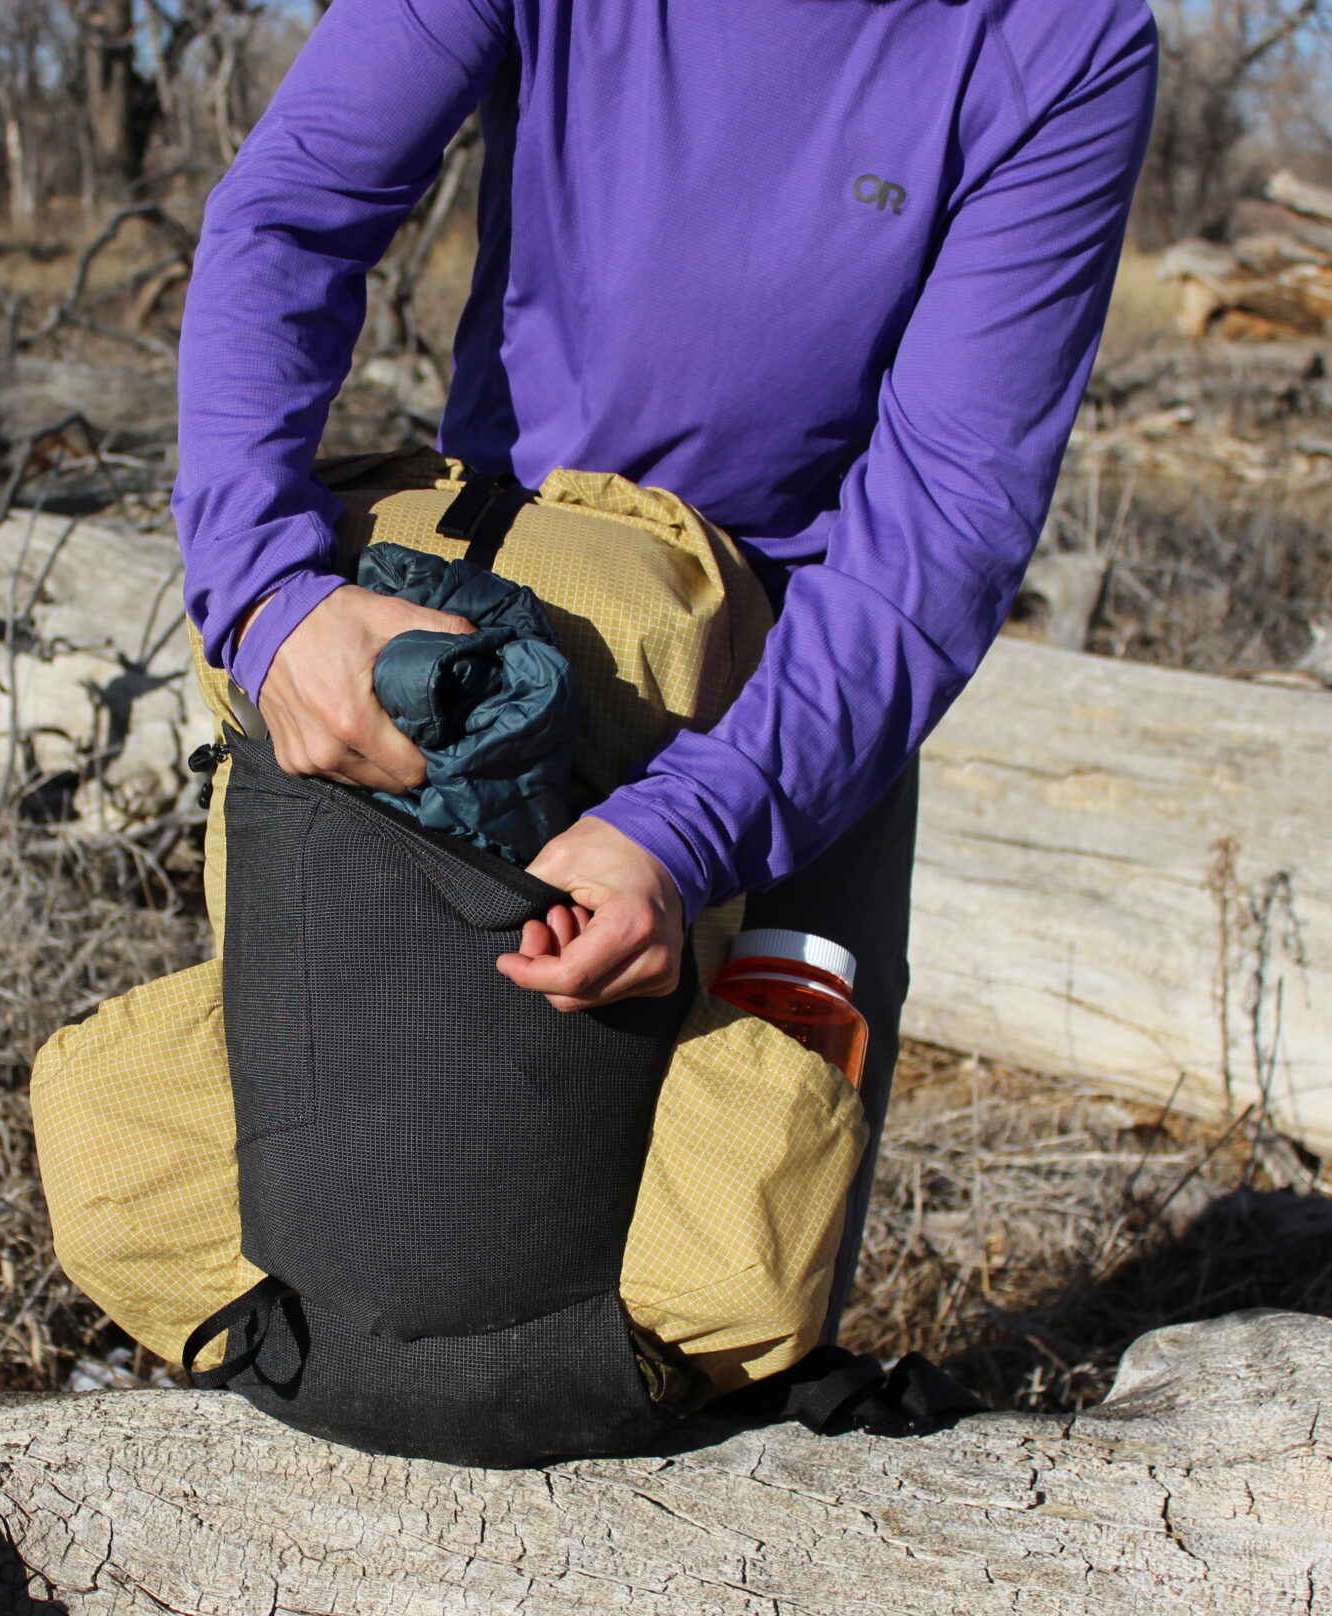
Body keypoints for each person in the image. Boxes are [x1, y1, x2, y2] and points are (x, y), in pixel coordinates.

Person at [172, 0, 1157, 1332]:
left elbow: (947, 517)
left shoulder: (1063, 37)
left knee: (734, 1302)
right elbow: (292, 212)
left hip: (809, 716)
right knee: (369, 1281)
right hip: (508, 675)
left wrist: (690, 828)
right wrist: (267, 596)